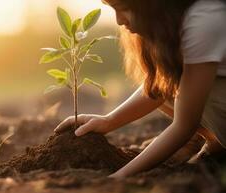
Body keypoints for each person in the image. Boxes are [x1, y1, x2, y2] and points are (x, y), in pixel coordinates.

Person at [54, 0, 226, 179]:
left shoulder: (205, 19)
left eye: (124, 9)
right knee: (165, 82)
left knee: (185, 86)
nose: (119, 20)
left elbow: (184, 126)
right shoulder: (180, 21)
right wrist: (109, 121)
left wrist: (119, 177)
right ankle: (216, 143)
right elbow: (158, 87)